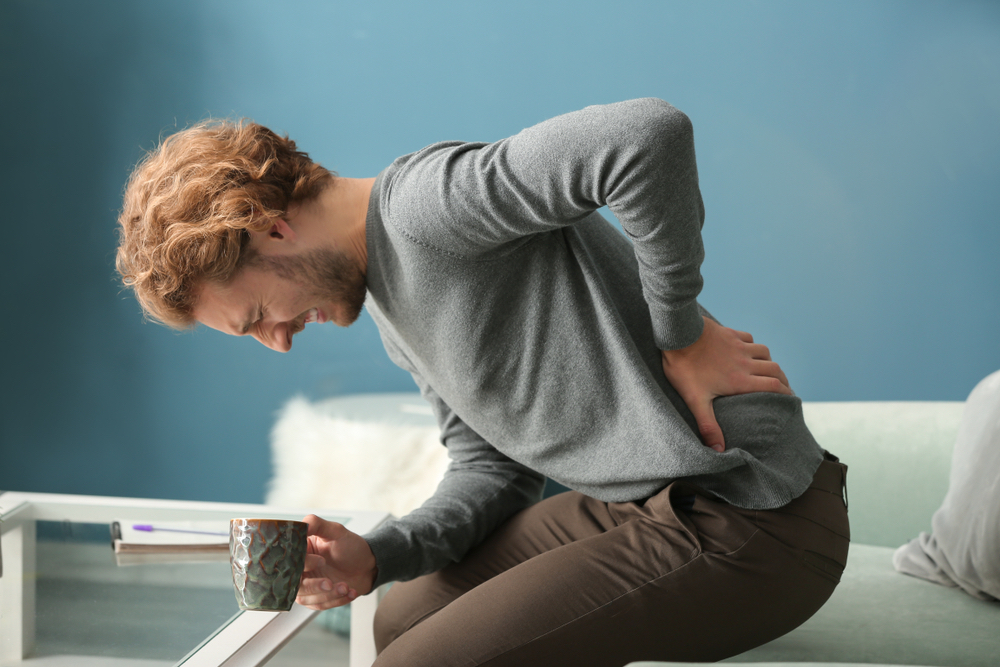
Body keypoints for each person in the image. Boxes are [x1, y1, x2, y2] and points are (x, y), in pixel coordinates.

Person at [117, 98, 849, 666]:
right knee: (399, 618)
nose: (276, 342)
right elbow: (491, 469)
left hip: (747, 515)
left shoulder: (425, 208)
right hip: (638, 504)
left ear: (272, 229)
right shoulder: (389, 308)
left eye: (254, 318)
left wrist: (680, 335)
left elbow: (646, 134)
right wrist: (378, 555)